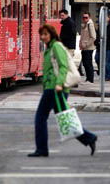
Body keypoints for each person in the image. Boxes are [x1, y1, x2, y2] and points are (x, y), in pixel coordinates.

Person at [28, 24, 98, 157]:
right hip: (52, 88)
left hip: (55, 89)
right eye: (41, 34)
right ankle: (89, 138)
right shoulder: (50, 48)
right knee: (65, 119)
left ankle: (42, 149)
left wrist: (59, 84)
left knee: (40, 117)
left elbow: (63, 66)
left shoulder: (56, 47)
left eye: (45, 34)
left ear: (52, 34)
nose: (43, 37)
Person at [79, 13, 96, 83]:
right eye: (83, 17)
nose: (84, 19)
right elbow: (82, 36)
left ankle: (90, 78)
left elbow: (93, 37)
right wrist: (80, 44)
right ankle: (88, 78)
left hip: (88, 48)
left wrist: (86, 45)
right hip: (84, 48)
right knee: (85, 63)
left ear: (89, 17)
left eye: (86, 17)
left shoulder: (90, 25)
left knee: (88, 63)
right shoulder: (84, 25)